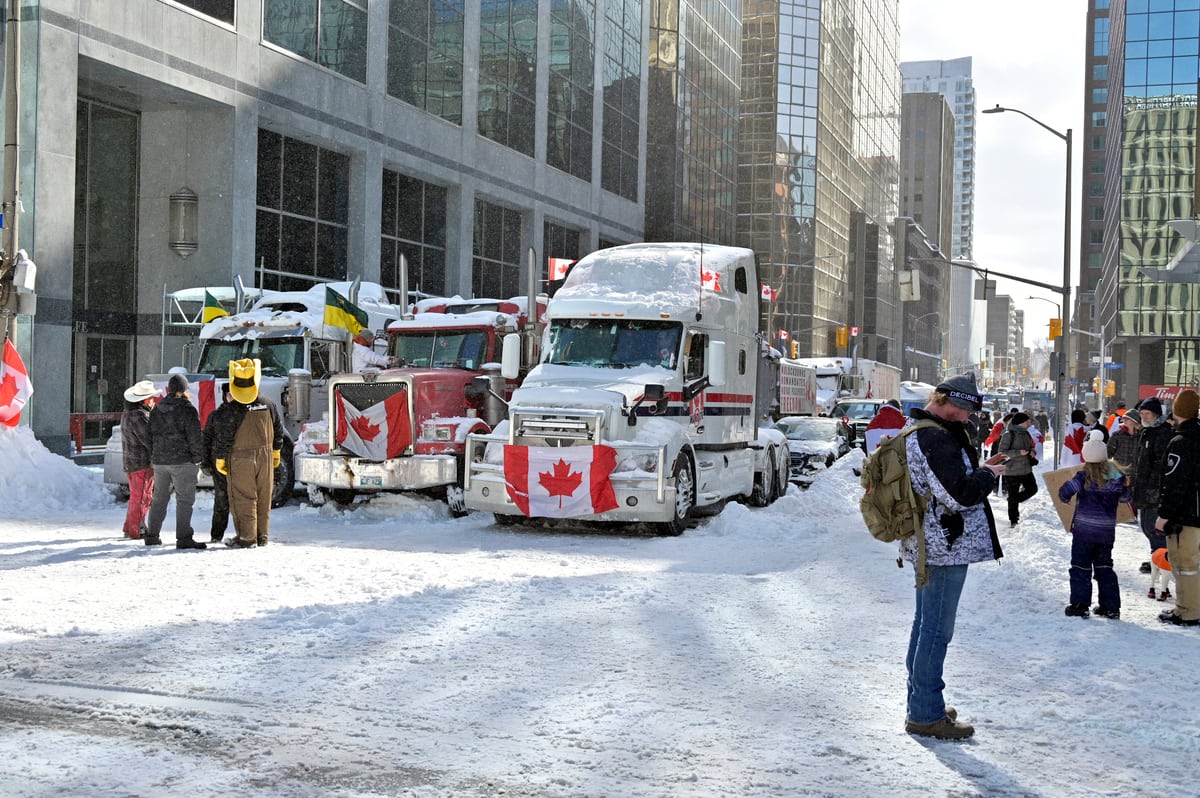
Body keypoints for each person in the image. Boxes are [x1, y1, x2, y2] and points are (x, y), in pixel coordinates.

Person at [901, 373, 1006, 740]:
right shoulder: (934, 438)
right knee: (935, 630)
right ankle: (925, 713)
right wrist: (988, 473)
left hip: (932, 542)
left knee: (924, 625)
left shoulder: (921, 430)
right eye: (962, 409)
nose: (966, 417)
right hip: (943, 546)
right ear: (942, 400)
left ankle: (922, 702)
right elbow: (959, 495)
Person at [210, 359, 284, 548]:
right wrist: (276, 450)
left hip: (240, 458)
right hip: (266, 457)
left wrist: (220, 457)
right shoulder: (268, 404)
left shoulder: (233, 408)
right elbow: (278, 429)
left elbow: (224, 436)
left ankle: (247, 538)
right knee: (263, 496)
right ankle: (262, 536)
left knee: (243, 497)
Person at [1058, 430, 1130, 619]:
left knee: (1080, 567)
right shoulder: (1116, 476)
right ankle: (1110, 606)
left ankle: (1080, 605)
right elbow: (1125, 497)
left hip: (1084, 532)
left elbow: (1065, 492)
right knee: (1104, 566)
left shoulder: (1083, 476)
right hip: (1106, 532)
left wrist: (1064, 497)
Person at [1154, 388, 1200, 627]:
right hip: (1196, 512)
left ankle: (1188, 611)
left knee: (1185, 564)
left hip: (1186, 516)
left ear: (1177, 410)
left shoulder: (1181, 443)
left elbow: (1175, 483)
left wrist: (1164, 514)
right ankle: (1189, 606)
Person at [144, 373, 206, 549]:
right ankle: (184, 537)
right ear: (184, 390)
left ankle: (152, 535)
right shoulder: (187, 409)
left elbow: (149, 436)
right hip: (182, 461)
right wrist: (198, 458)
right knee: (184, 500)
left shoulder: (156, 409)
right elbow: (194, 437)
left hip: (160, 461)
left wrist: (154, 455)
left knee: (159, 499)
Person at [1132, 397, 1173, 576]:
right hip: (1146, 487)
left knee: (1154, 528)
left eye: (1147, 414)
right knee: (1148, 527)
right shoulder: (1148, 432)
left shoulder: (1163, 433)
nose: (1144, 417)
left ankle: (1162, 560)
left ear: (1156, 414)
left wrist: (1153, 488)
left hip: (1155, 490)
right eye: (1141, 414)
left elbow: (1161, 465)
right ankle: (1158, 557)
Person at [120, 380, 158, 540]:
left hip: (131, 462)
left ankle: (130, 526)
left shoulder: (129, 414)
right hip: (141, 463)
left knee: (137, 496)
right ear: (144, 400)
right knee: (142, 496)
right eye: (151, 398)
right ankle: (137, 528)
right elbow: (149, 439)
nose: (154, 401)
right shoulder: (140, 416)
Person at [202, 382, 234, 544]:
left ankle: (245, 533)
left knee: (240, 500)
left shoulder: (243, 413)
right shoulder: (215, 415)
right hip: (219, 465)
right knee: (221, 502)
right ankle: (216, 535)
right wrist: (205, 463)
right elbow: (206, 439)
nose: (232, 398)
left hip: (238, 463)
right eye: (229, 394)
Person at [999, 412, 1038, 527]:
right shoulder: (1008, 434)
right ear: (1021, 423)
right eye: (1027, 421)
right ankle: (1013, 520)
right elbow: (1001, 453)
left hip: (1026, 469)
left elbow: (1031, 447)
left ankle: (1013, 499)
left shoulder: (1026, 433)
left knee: (1032, 489)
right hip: (1012, 471)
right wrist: (1018, 453)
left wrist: (1032, 452)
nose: (1029, 423)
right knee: (1013, 494)